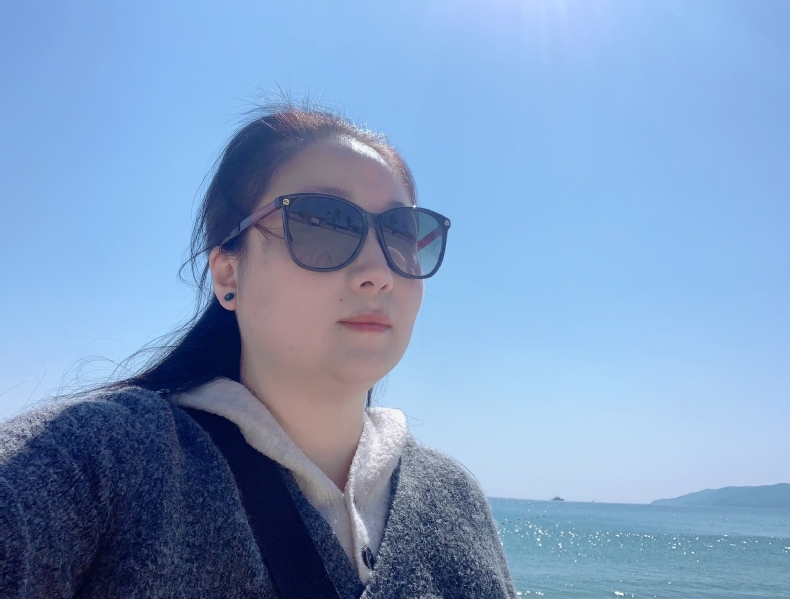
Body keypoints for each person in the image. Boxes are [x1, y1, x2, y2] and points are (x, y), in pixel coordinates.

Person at [0, 103, 517, 598]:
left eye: (401, 232)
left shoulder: (455, 497)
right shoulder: (105, 460)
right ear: (229, 274)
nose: (379, 272)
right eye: (323, 222)